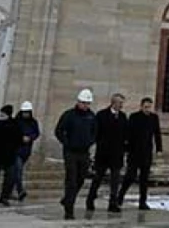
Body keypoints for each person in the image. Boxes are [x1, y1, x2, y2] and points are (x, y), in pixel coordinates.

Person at [55, 88, 97, 220]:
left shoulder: (91, 116)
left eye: (88, 103)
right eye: (84, 103)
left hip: (84, 152)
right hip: (71, 152)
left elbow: (95, 132)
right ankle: (69, 210)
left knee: (81, 178)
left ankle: (67, 198)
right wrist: (67, 142)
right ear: (79, 102)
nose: (86, 106)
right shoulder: (69, 115)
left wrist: (90, 141)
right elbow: (59, 131)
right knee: (71, 180)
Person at [117, 97, 162, 211]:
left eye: (149, 107)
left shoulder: (154, 118)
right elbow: (128, 134)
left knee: (144, 179)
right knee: (130, 176)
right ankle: (120, 196)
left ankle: (143, 202)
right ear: (141, 106)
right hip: (134, 152)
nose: (147, 109)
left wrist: (159, 148)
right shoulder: (134, 117)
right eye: (145, 107)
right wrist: (126, 148)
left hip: (146, 153)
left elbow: (157, 134)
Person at [87, 93, 128, 213]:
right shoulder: (102, 115)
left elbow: (125, 134)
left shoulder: (123, 117)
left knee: (115, 180)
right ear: (113, 102)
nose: (121, 105)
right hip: (103, 153)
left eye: (122, 103)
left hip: (117, 154)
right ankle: (90, 199)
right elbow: (96, 132)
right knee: (98, 178)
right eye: (119, 103)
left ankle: (113, 203)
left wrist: (124, 148)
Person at [14, 101, 40, 202]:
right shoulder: (17, 121)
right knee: (18, 170)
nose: (26, 114)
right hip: (17, 150)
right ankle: (20, 190)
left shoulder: (33, 122)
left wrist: (30, 138)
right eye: (24, 112)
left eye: (27, 112)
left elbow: (36, 133)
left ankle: (11, 189)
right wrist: (21, 138)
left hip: (26, 150)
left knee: (17, 172)